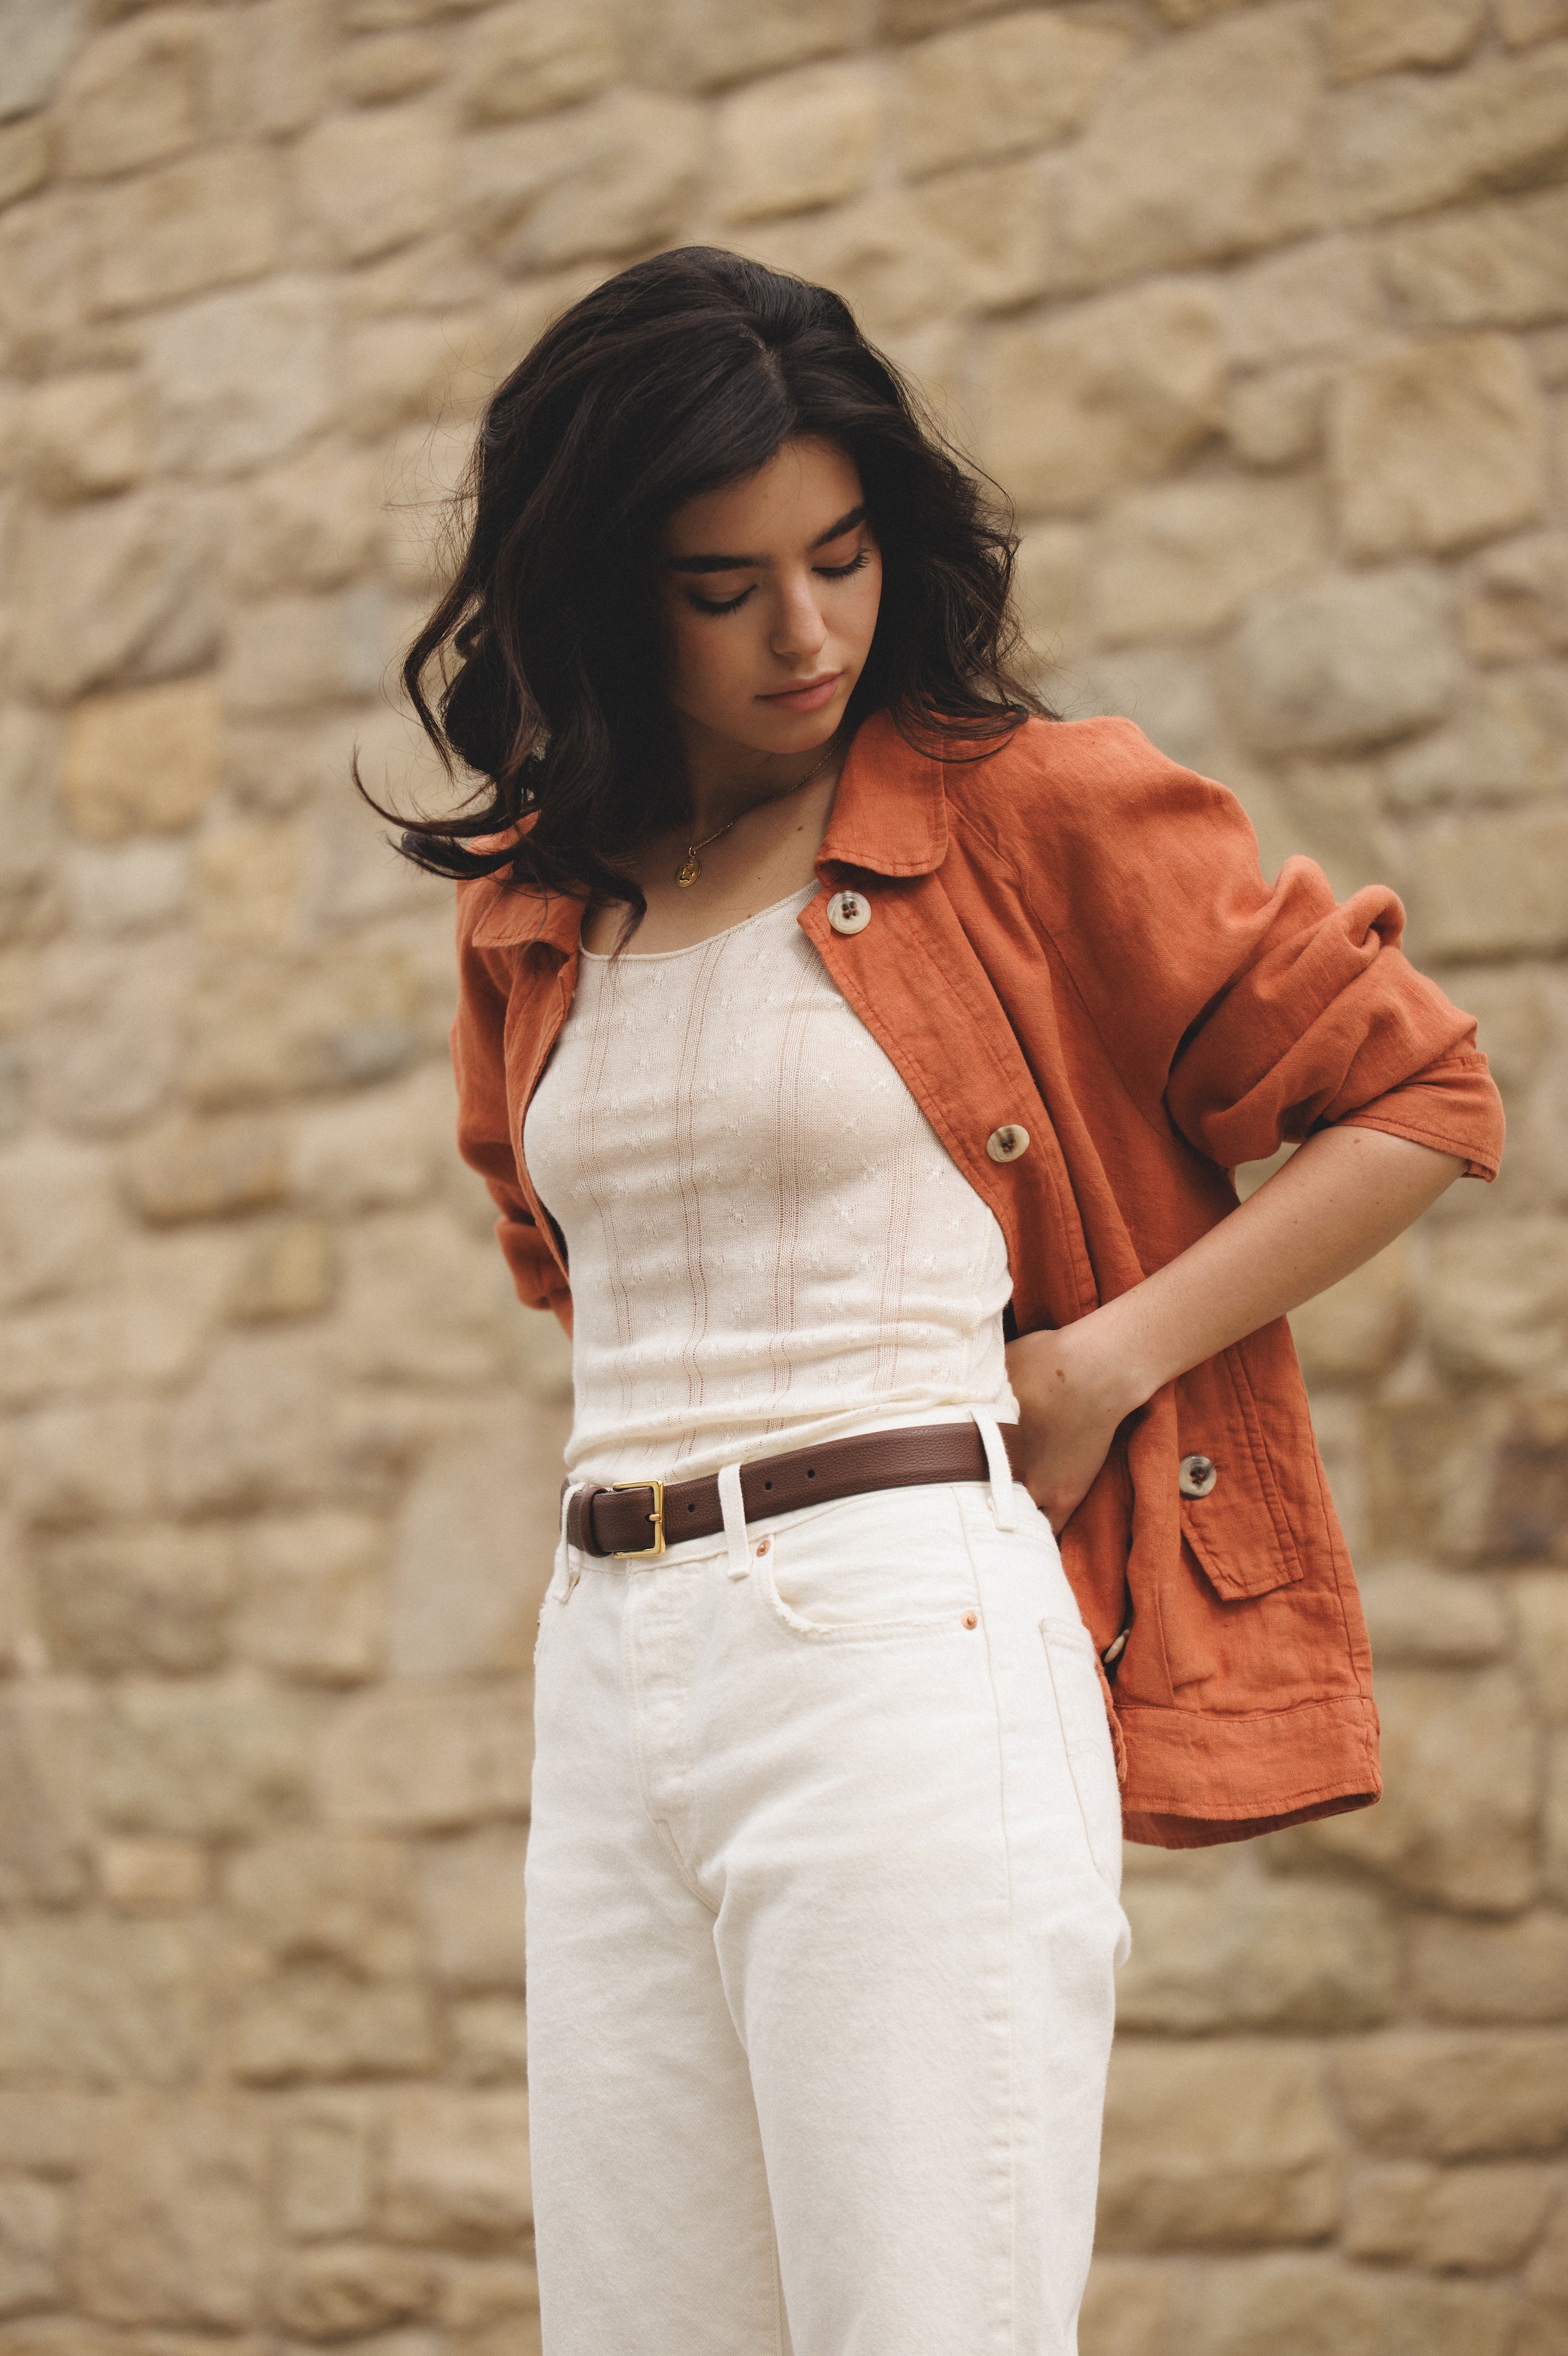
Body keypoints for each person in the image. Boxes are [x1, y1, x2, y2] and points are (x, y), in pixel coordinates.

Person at [373, 246, 1504, 2356]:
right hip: (609, 1662)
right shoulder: (540, 899)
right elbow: (571, 1269)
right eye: (724, 588)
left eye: (842, 556)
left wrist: (1108, 1361)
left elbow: (1421, 1093)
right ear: (604, 594)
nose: (807, 633)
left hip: (899, 1637)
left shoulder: (1016, 807)